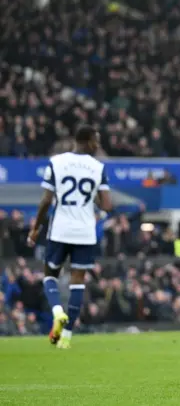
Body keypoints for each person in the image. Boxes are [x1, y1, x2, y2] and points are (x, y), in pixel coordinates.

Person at [27, 125, 113, 349]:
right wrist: (96, 208)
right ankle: (66, 337)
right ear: (90, 141)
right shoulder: (97, 167)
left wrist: (36, 227)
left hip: (61, 228)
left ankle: (57, 311)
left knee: (50, 275)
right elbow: (107, 205)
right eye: (97, 141)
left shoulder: (57, 162)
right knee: (78, 283)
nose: (98, 145)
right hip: (85, 231)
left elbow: (46, 200)